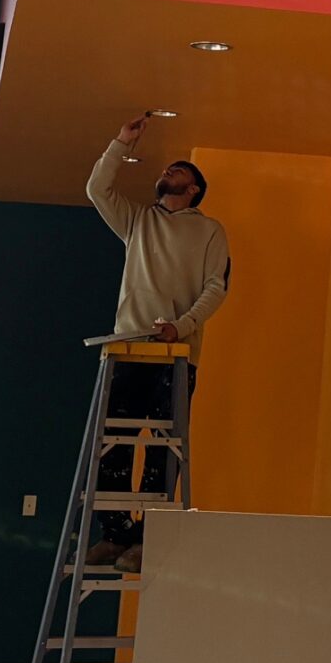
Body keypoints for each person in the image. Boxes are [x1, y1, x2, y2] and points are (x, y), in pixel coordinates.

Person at [84, 112, 230, 555]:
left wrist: (180, 328)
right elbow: (97, 190)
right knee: (115, 442)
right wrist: (121, 142)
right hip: (128, 349)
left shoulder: (209, 231)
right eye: (168, 168)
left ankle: (151, 537)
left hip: (176, 356)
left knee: (165, 445)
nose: (169, 170)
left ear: (194, 189)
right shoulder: (138, 221)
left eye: (179, 170)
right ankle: (114, 535)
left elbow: (216, 288)